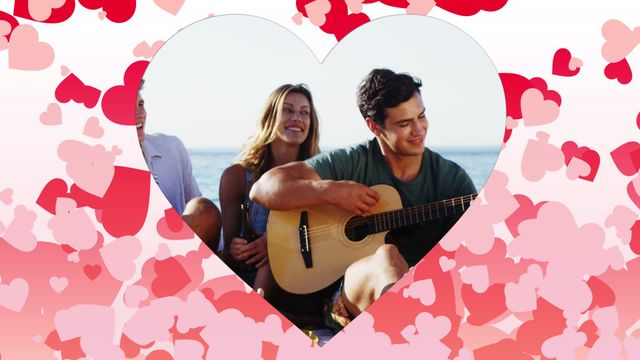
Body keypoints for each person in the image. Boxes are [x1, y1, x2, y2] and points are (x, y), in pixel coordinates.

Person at [250, 69, 476, 332]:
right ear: (374, 126)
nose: (418, 130)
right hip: (346, 298)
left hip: (427, 300)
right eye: (404, 123)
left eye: (422, 116)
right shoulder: (353, 161)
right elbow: (263, 188)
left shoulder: (452, 180)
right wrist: (330, 191)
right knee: (387, 256)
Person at [219, 84, 320, 292]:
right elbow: (228, 253)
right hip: (249, 275)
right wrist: (236, 249)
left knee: (273, 258)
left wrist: (277, 246)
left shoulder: (318, 176)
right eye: (288, 110)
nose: (297, 118)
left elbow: (324, 239)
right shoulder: (236, 177)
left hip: (297, 278)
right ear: (270, 117)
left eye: (304, 112)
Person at [137, 80, 222, 251]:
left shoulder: (172, 148)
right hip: (136, 255)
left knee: (204, 210)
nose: (139, 114)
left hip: (181, 254)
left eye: (140, 104)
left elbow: (200, 210)